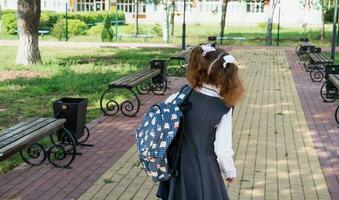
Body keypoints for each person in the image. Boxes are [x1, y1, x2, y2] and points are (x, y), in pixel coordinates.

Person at [156, 44, 244, 200]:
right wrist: (229, 172)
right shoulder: (223, 107)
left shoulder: (180, 95)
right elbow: (222, 150)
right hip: (204, 170)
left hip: (177, 167)